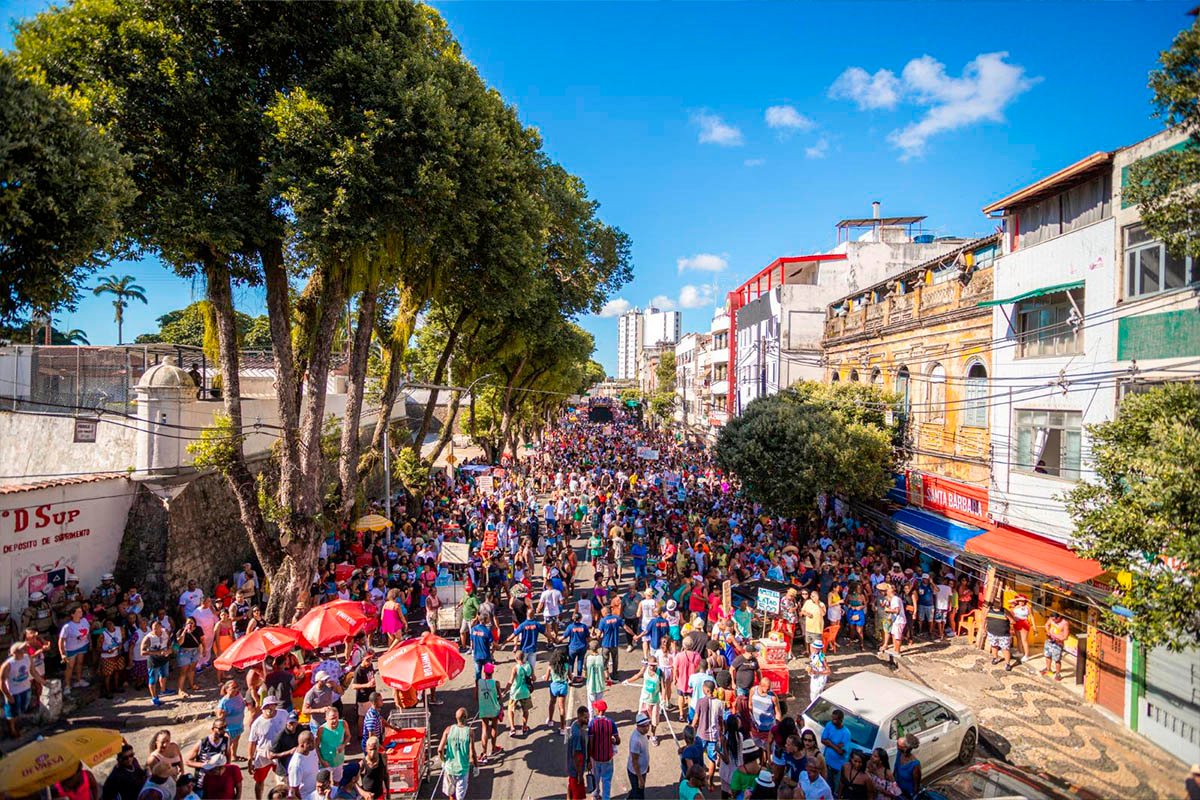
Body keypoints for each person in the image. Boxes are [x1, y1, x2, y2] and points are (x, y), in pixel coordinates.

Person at [247, 697, 287, 800]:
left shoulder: (283, 714)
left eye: (272, 705)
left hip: (279, 753)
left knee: (281, 780)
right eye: (266, 706)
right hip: (263, 755)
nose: (269, 708)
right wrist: (250, 759)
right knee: (259, 781)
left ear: (275, 705)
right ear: (262, 708)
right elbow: (252, 742)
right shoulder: (257, 723)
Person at [1, 640, 39, 738]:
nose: (24, 650)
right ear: (15, 652)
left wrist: (43, 682)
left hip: (26, 689)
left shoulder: (27, 658)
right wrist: (8, 696)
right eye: (21, 649)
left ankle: (17, 725)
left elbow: (33, 672)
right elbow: (2, 682)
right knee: (12, 712)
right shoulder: (8, 664)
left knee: (21, 709)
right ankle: (12, 730)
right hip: (14, 692)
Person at [437, 707, 476, 800]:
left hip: (449, 768)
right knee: (460, 796)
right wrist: (476, 766)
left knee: (451, 793)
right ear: (466, 717)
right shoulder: (469, 732)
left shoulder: (448, 729)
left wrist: (443, 761)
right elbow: (472, 753)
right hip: (462, 769)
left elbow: (439, 749)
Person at [624, 657, 663, 745]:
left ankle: (653, 736)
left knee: (654, 721)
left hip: (654, 701)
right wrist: (628, 680)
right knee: (642, 719)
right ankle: (641, 735)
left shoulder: (660, 673)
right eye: (650, 665)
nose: (652, 667)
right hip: (644, 700)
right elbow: (638, 675)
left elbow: (663, 687)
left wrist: (663, 699)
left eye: (653, 665)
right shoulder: (645, 669)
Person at [588, 700, 620, 800]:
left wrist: (589, 757)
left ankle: (595, 795)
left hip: (596, 756)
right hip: (607, 756)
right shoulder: (611, 723)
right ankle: (606, 798)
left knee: (596, 778)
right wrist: (613, 740)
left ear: (597, 710)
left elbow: (590, 742)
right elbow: (617, 740)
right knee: (606, 779)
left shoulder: (592, 723)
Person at [58, 604, 91, 696]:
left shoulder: (84, 621)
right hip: (71, 648)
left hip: (83, 645)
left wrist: (90, 643)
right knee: (70, 667)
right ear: (72, 614)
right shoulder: (67, 626)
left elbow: (88, 632)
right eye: (78, 611)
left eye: (81, 611)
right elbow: (61, 640)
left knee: (80, 663)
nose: (81, 613)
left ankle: (79, 679)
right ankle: (67, 685)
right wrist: (62, 653)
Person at [820, 709, 850, 797]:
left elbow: (841, 751)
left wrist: (829, 742)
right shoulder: (829, 725)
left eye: (835, 719)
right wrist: (835, 745)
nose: (833, 721)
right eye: (832, 718)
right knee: (826, 786)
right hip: (827, 763)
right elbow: (823, 740)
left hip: (838, 767)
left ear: (841, 720)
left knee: (836, 790)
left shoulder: (846, 733)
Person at [505, 649, 535, 737]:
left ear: (516, 658)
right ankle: (524, 727)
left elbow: (510, 681)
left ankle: (512, 728)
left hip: (515, 692)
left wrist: (505, 691)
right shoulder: (529, 666)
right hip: (525, 692)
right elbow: (534, 678)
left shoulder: (515, 668)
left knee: (511, 710)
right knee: (525, 710)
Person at [315, 704, 348, 785]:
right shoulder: (322, 729)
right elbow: (316, 745)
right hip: (326, 762)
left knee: (337, 782)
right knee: (324, 784)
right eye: (332, 718)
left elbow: (348, 736)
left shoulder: (343, 724)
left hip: (339, 761)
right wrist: (321, 760)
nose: (335, 720)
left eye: (336, 717)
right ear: (326, 719)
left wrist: (343, 745)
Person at [476, 663, 503, 762]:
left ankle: (484, 753)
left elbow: (476, 696)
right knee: (494, 727)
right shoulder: (496, 683)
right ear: (492, 672)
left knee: (484, 729)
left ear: (484, 672)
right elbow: (500, 697)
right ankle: (494, 748)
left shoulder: (479, 682)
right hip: (494, 708)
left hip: (484, 708)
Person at [217, 680, 247, 761]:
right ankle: (224, 761)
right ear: (227, 689)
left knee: (236, 741)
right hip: (228, 728)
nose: (236, 689)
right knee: (227, 745)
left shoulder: (238, 695)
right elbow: (219, 717)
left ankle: (233, 756)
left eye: (237, 687)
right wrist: (223, 715)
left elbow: (242, 704)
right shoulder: (224, 702)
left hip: (238, 725)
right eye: (233, 688)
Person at [985, 602, 1018, 671]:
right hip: (992, 632)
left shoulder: (1005, 611)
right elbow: (984, 619)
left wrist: (1010, 618)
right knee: (994, 645)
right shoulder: (988, 610)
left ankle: (1007, 663)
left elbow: (1013, 621)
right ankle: (995, 658)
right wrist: (983, 628)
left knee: (1005, 648)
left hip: (1004, 634)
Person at [566, 705, 591, 800]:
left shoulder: (574, 725)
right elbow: (577, 756)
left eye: (588, 717)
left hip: (571, 768)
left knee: (571, 788)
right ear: (579, 717)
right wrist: (580, 775)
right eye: (585, 717)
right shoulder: (578, 735)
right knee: (578, 796)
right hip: (576, 770)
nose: (588, 719)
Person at [546, 645, 571, 735]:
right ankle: (562, 728)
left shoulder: (551, 666)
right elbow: (570, 677)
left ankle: (550, 720)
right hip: (563, 686)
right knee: (562, 707)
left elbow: (546, 678)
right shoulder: (566, 666)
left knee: (552, 702)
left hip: (554, 686)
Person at [286, 731, 319, 799]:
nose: (313, 744)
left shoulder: (311, 750)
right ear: (302, 745)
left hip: (315, 793)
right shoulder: (296, 765)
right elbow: (294, 789)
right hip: (305, 797)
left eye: (313, 740)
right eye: (310, 743)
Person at [627, 712, 652, 800]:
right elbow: (635, 762)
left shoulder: (643, 734)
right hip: (635, 773)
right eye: (644, 726)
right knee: (639, 795)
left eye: (648, 725)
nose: (647, 728)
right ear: (638, 726)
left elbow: (644, 752)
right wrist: (640, 778)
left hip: (642, 770)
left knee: (636, 790)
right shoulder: (635, 740)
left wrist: (646, 765)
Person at [357, 736, 389, 800]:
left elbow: (385, 775)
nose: (373, 752)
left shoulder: (383, 758)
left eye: (375, 749)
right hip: (368, 797)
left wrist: (388, 792)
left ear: (378, 748)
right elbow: (353, 782)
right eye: (370, 749)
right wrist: (363, 793)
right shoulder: (362, 764)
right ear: (366, 749)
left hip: (380, 795)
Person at [1042, 611, 1070, 682]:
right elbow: (1046, 625)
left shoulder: (1064, 623)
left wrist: (1058, 639)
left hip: (1058, 643)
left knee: (1057, 659)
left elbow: (1066, 637)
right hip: (1049, 640)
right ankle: (1048, 669)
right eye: (1052, 620)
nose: (1053, 621)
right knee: (1047, 655)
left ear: (1059, 618)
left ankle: (1058, 673)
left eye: (1055, 620)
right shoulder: (1051, 619)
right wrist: (1048, 631)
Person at [894, 734, 922, 798]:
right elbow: (896, 769)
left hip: (908, 794)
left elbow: (916, 785)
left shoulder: (915, 765)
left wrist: (913, 795)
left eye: (898, 746)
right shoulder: (899, 753)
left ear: (905, 749)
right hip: (898, 790)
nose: (896, 747)